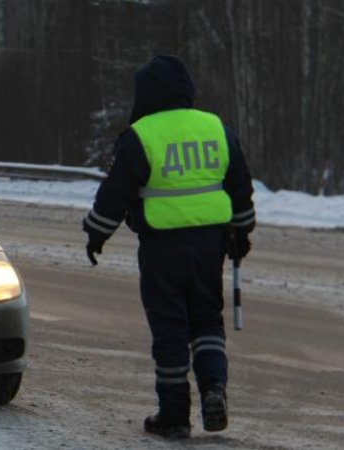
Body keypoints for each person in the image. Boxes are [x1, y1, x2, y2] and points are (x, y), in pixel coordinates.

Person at [82, 55, 255, 438]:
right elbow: (240, 184)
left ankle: (174, 415)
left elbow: (116, 192)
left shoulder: (141, 135)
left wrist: (96, 233)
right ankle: (214, 388)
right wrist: (242, 233)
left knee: (170, 328)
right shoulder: (216, 128)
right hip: (211, 243)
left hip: (163, 247)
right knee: (207, 321)